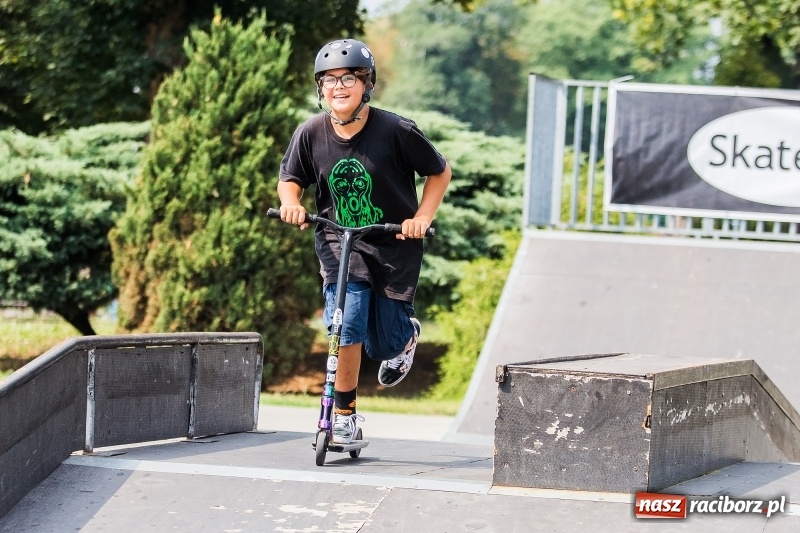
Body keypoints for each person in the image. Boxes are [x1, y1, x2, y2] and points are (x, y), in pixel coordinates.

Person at [277, 39, 452, 444]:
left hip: (392, 244)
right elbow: (291, 180)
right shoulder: (311, 133)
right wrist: (292, 205)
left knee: (383, 341)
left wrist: (421, 217)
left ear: (366, 84)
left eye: (348, 78)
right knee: (346, 323)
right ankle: (344, 415)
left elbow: (439, 172)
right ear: (320, 88)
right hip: (340, 243)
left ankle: (404, 337)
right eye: (329, 80)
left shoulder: (396, 130)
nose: (339, 87)